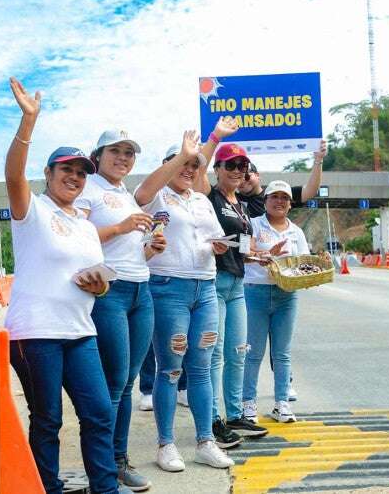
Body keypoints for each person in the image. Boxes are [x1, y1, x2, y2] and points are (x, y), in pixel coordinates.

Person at [4, 77, 130, 494]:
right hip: (36, 334)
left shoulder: (86, 225)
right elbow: (13, 175)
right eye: (67, 170)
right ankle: (47, 489)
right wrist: (28, 122)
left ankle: (105, 488)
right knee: (48, 419)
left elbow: (96, 282)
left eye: (81, 173)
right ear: (49, 172)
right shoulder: (32, 211)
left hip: (80, 332)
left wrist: (99, 287)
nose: (75, 177)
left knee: (98, 414)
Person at [75, 126, 178, 492]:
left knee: (129, 383)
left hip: (141, 290)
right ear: (97, 156)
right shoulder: (88, 188)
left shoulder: (125, 195)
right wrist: (120, 227)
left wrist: (151, 248)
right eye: (115, 151)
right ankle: (106, 468)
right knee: (114, 383)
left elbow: (131, 249)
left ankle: (117, 461)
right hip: (111, 292)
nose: (122, 158)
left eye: (129, 153)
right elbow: (76, 236)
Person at [134, 137, 235, 471]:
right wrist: (184, 154)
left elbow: (213, 237)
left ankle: (205, 441)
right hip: (167, 287)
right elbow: (142, 194)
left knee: (202, 367)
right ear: (172, 164)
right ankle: (166, 444)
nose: (190, 170)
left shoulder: (202, 201)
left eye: (195, 165)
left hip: (205, 287)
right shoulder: (156, 196)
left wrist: (218, 246)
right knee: (171, 366)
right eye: (185, 164)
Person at [195, 141, 270, 447]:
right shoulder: (208, 196)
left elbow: (238, 246)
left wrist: (258, 257)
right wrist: (215, 137)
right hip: (214, 282)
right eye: (231, 165)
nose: (239, 171)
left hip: (237, 283)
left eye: (243, 166)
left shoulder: (240, 203)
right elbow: (199, 166)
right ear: (217, 170)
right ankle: (213, 420)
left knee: (238, 352)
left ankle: (235, 413)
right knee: (214, 355)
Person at [242, 181, 310, 424]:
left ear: (290, 204)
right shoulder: (251, 224)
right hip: (255, 293)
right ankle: (248, 403)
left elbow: (304, 263)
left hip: (286, 295)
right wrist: (265, 255)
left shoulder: (297, 232)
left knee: (282, 353)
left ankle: (282, 403)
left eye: (285, 198)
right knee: (253, 352)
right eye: (274, 197)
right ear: (266, 200)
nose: (279, 201)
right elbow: (241, 256)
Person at [236, 140, 327, 218]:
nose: (243, 180)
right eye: (238, 176)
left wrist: (318, 159)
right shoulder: (230, 198)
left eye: (247, 176)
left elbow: (310, 191)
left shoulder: (277, 192)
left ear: (257, 175)